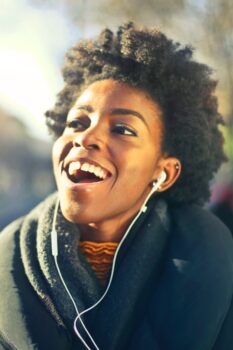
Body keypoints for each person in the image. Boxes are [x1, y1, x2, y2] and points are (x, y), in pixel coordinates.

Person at [0, 22, 233, 350]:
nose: (85, 137)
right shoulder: (7, 260)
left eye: (122, 129)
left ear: (164, 172)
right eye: (77, 122)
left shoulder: (220, 274)